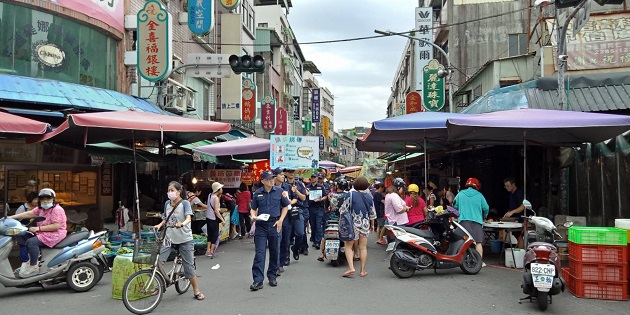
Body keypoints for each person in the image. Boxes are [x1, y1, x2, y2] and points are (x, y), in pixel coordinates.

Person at [153, 181, 204, 300]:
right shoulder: (167, 204)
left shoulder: (185, 203)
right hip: (169, 237)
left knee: (188, 267)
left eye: (172, 190)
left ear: (179, 192)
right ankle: (158, 285)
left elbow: (188, 218)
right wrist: (159, 225)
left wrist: (182, 224)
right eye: (168, 190)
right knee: (159, 261)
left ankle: (196, 291)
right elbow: (166, 218)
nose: (170, 193)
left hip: (184, 239)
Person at [10, 188, 67, 277]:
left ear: (53, 199)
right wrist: (11, 217)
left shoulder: (57, 209)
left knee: (31, 242)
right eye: (42, 198)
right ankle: (35, 261)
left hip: (55, 233)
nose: (45, 201)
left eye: (48, 198)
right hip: (45, 233)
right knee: (27, 238)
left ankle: (34, 267)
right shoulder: (41, 209)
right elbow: (29, 214)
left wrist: (38, 228)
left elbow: (56, 226)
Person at [249, 170, 290, 291]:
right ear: (262, 181)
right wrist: (253, 216)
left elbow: (285, 207)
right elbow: (253, 208)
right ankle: (257, 280)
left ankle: (272, 275)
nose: (271, 180)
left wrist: (281, 220)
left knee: (275, 251)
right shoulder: (257, 193)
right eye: (268, 179)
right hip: (261, 225)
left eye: (272, 178)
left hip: (274, 224)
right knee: (260, 253)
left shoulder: (280, 192)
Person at [340, 176, 376, 278]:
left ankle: (351, 268)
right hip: (365, 224)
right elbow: (372, 213)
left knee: (348, 246)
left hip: (352, 225)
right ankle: (362, 271)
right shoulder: (369, 197)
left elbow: (343, 210)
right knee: (363, 248)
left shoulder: (350, 194)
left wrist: (340, 222)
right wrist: (372, 225)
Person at [453, 178, 489, 266]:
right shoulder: (479, 195)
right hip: (477, 221)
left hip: (463, 221)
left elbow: (454, 206)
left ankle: (463, 261)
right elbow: (486, 208)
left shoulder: (460, 194)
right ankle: (479, 263)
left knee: (465, 242)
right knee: (478, 242)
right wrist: (485, 215)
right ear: (477, 186)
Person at [317, 177, 350, 261]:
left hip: (332, 219)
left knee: (325, 236)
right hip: (344, 220)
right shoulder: (348, 195)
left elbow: (326, 207)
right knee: (349, 236)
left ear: (337, 186)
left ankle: (321, 253)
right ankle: (353, 253)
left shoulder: (330, 195)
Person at [284, 168, 307, 262]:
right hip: (286, 211)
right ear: (285, 173)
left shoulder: (299, 184)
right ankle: (286, 257)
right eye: (289, 172)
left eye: (292, 172)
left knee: (300, 233)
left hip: (298, 210)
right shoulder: (283, 185)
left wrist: (296, 191)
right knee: (286, 235)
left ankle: (296, 248)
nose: (291, 174)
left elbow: (304, 198)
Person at [205, 182, 226, 258]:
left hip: (208, 217)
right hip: (213, 219)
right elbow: (216, 211)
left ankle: (208, 250)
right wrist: (222, 220)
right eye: (221, 188)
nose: (222, 189)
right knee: (214, 235)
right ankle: (211, 251)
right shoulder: (216, 198)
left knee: (209, 234)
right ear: (218, 189)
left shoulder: (210, 195)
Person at [307, 173, 327, 250]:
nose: (313, 178)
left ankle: (318, 242)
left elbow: (325, 196)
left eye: (314, 177)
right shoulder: (308, 187)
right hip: (311, 208)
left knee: (318, 224)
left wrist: (320, 199)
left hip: (319, 208)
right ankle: (314, 239)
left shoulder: (321, 186)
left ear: (317, 178)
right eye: (312, 177)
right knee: (313, 225)